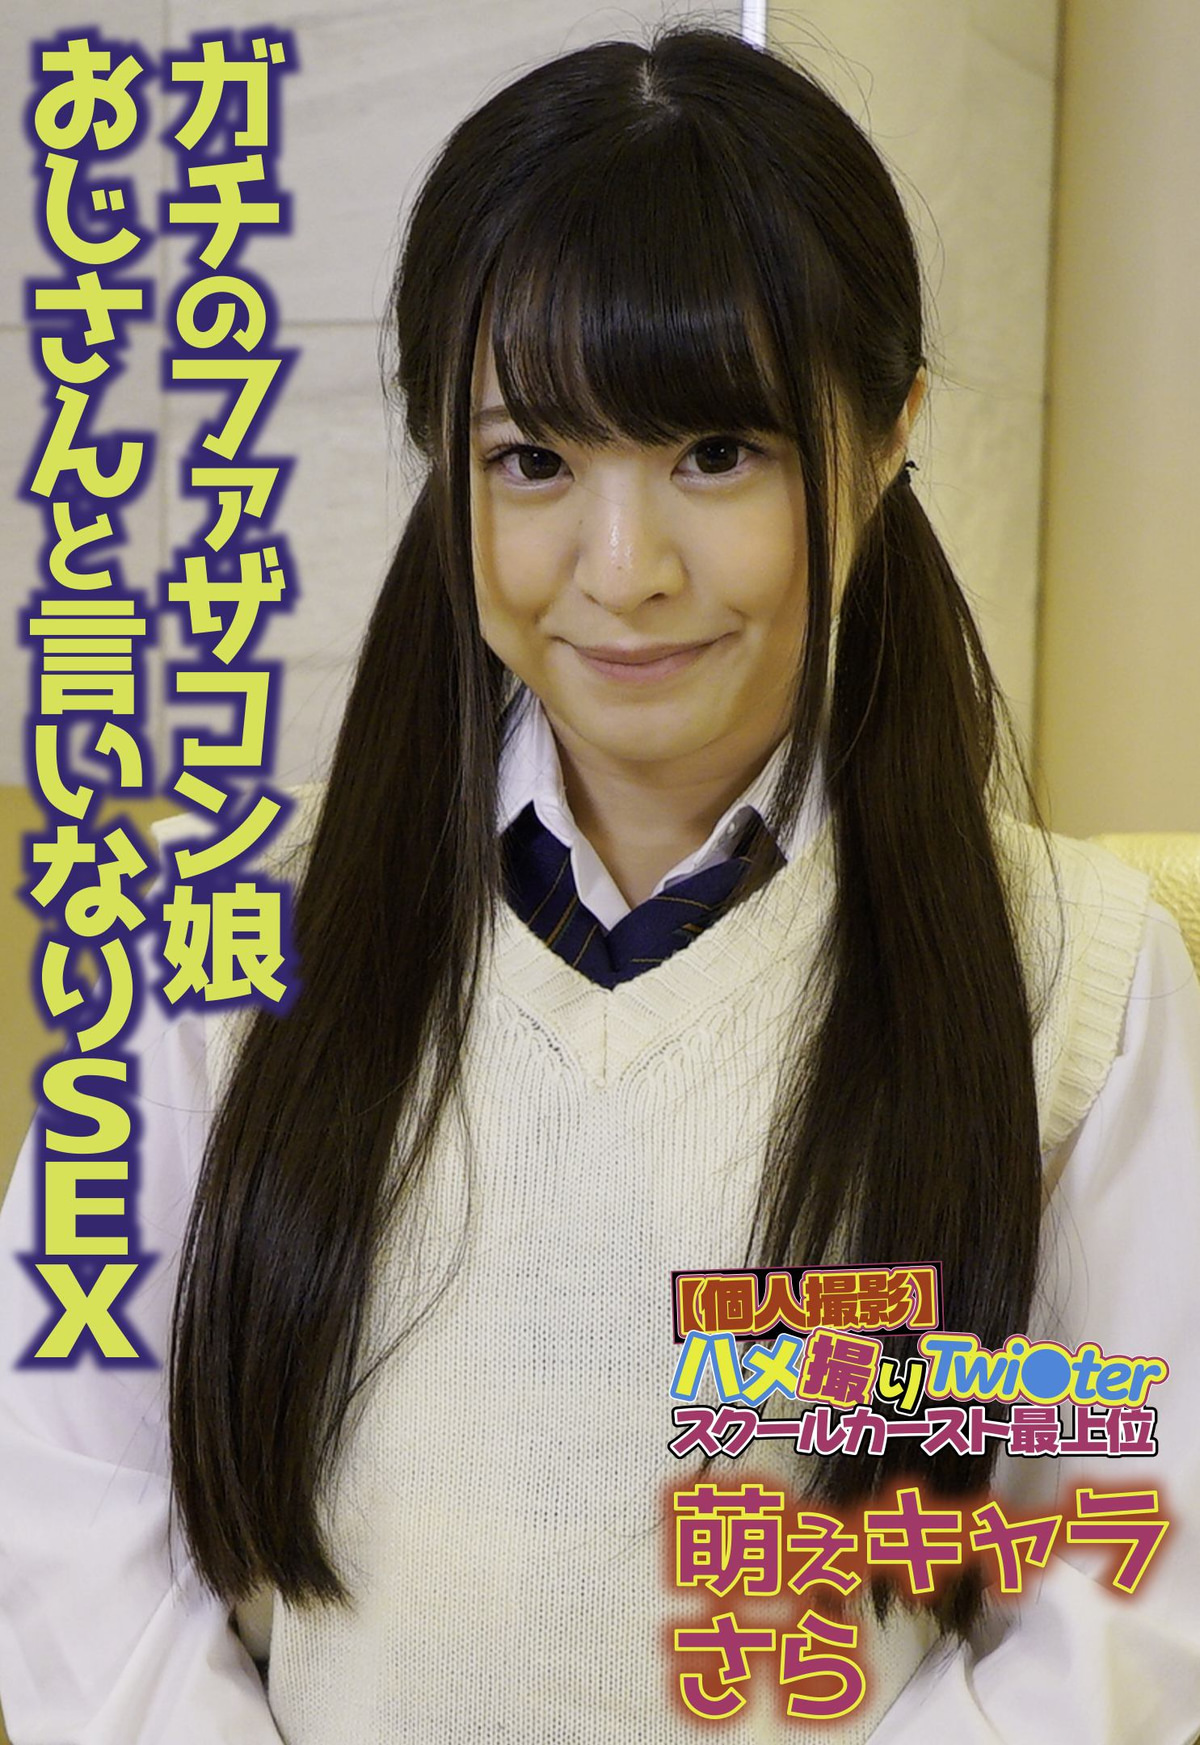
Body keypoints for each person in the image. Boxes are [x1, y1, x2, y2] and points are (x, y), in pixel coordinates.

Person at [2, 24, 1199, 1744]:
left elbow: (1127, 1576)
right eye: (534, 460)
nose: (623, 570)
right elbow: (65, 1477)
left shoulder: (1070, 982)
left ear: (885, 442)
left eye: (717, 452)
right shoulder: (231, 937)